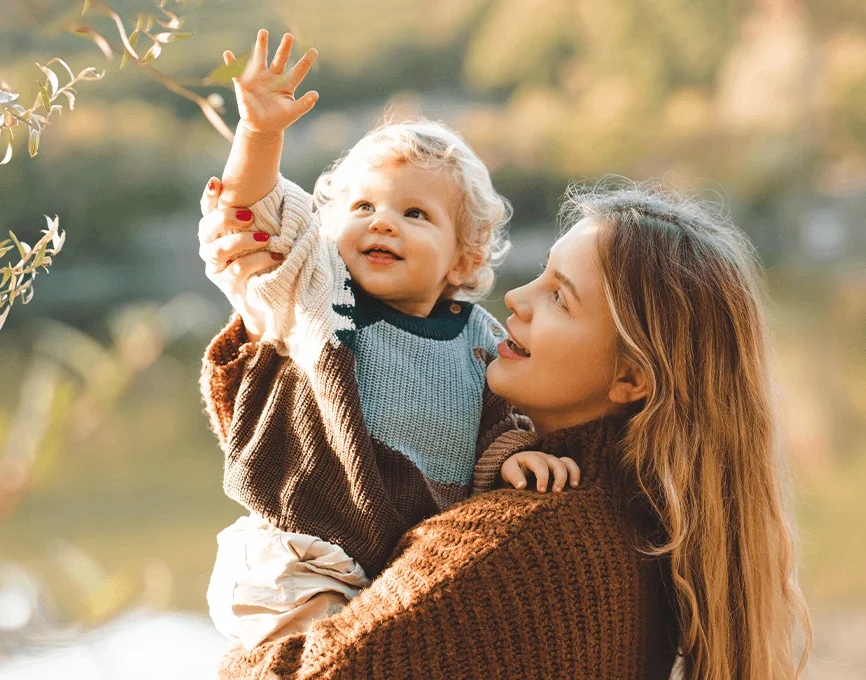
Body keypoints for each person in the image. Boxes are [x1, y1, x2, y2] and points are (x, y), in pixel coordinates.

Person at [198, 174, 813, 679]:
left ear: (631, 378)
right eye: (540, 275)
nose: (517, 297)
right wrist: (273, 327)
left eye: (559, 298)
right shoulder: (639, 527)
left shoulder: (512, 544)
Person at [200, 30, 579, 651]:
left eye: (415, 214)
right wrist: (260, 135)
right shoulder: (317, 294)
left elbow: (499, 420)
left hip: (393, 565)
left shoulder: (479, 337)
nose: (382, 221)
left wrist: (512, 458)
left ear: (464, 259)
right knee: (329, 658)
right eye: (363, 206)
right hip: (300, 555)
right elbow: (256, 212)